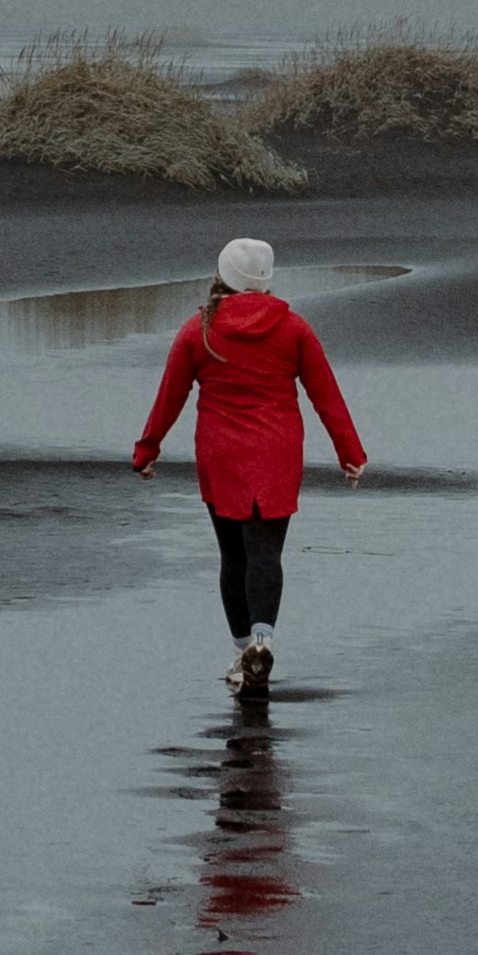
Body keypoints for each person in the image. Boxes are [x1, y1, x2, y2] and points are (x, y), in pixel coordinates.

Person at [133, 229, 368, 691]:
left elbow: (170, 398)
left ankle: (242, 652)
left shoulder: (197, 330)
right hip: (277, 452)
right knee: (267, 553)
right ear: (265, 280)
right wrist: (350, 453)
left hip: (221, 455)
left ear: (222, 276)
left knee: (232, 556)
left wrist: (147, 450)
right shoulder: (293, 328)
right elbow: (326, 395)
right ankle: (263, 640)